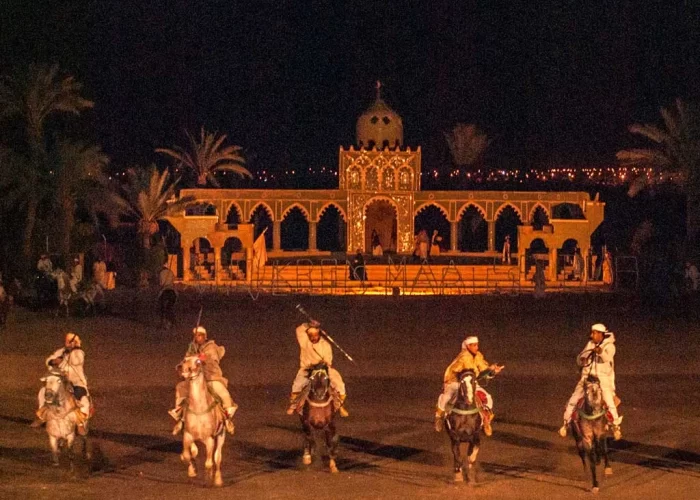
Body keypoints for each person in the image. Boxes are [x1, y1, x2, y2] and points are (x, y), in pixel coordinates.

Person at [558, 323, 623, 441]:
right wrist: (582, 359)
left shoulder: (610, 346)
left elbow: (606, 358)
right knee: (574, 398)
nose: (592, 335)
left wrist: (600, 352)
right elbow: (580, 358)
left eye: (594, 333)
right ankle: (565, 423)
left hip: (602, 380)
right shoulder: (590, 344)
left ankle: (616, 427)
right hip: (587, 378)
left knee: (609, 401)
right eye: (592, 332)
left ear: (600, 334)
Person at [169, 326, 237, 435]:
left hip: (210, 377)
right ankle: (180, 417)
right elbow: (186, 361)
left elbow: (212, 359)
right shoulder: (192, 348)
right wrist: (182, 366)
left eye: (200, 335)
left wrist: (201, 357)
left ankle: (227, 419)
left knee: (223, 393)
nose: (197, 338)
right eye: (196, 336)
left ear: (204, 337)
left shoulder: (211, 347)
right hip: (194, 378)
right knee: (180, 387)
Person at [435, 336, 504, 435]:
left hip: (471, 382)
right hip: (456, 382)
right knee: (446, 397)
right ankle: (439, 416)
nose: (477, 347)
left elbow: (483, 370)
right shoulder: (464, 357)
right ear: (468, 346)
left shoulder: (478, 356)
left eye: (477, 345)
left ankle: (486, 420)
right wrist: (488, 370)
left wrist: (493, 371)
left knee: (487, 397)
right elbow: (458, 371)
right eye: (474, 345)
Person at [31, 333, 91, 435]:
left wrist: (70, 352)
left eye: (69, 341)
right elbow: (49, 360)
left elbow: (76, 361)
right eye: (67, 341)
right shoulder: (61, 351)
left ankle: (80, 424)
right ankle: (42, 416)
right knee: (43, 392)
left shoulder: (79, 352)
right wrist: (53, 361)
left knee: (82, 399)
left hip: (76, 382)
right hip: (60, 381)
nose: (67, 343)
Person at [286, 321, 348, 417]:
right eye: (311, 335)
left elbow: (328, 360)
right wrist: (308, 325)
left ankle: (340, 406)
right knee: (297, 385)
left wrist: (323, 364)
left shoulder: (326, 345)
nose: (313, 338)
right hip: (307, 368)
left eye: (315, 335)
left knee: (339, 384)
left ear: (318, 334)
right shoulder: (304, 342)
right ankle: (293, 405)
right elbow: (299, 330)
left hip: (323, 368)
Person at [158, 263, 177, 327]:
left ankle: (163, 321)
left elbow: (161, 283)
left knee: (162, 307)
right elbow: (173, 281)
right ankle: (172, 321)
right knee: (170, 307)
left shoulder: (161, 273)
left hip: (164, 290)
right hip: (172, 290)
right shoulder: (171, 272)